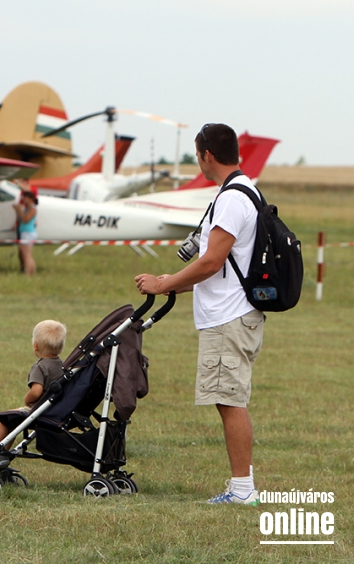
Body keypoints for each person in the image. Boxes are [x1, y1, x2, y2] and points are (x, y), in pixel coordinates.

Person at [134, 123, 264, 505]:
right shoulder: (245, 191)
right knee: (230, 398)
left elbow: (211, 261)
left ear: (207, 154)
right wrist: (172, 281)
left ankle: (242, 490)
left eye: (197, 155)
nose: (199, 162)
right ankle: (242, 486)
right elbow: (225, 267)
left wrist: (164, 284)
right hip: (233, 311)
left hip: (229, 316)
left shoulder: (231, 199)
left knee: (230, 400)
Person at [0, 320, 66, 449]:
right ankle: (1, 452)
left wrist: (27, 399)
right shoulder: (63, 365)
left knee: (7, 419)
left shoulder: (40, 367)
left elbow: (36, 391)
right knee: (12, 419)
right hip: (56, 410)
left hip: (39, 411)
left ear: (36, 345)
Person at [13, 189, 38, 275]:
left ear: (30, 198)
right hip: (25, 232)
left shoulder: (32, 209)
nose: (23, 199)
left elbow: (26, 220)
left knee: (27, 255)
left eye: (25, 198)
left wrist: (20, 210)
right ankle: (31, 273)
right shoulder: (28, 208)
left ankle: (28, 273)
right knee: (25, 254)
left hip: (28, 233)